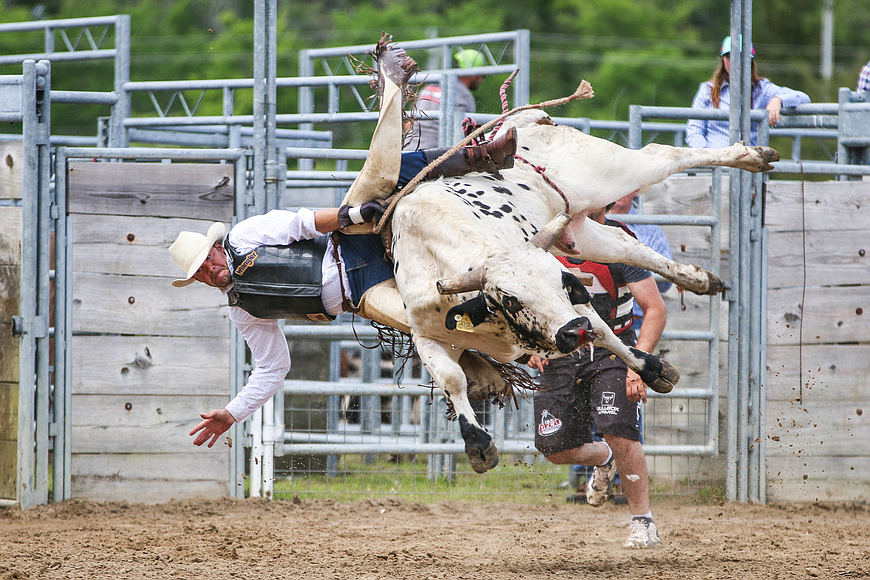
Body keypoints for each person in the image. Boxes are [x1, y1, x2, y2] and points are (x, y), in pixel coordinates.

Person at [171, 37, 517, 449]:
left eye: (205, 263)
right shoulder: (243, 311)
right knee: (432, 326)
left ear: (213, 249)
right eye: (201, 276)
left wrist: (352, 216)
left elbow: (299, 223)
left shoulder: (243, 238)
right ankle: (513, 340)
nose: (210, 272)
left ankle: (472, 154)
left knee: (384, 173)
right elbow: (272, 367)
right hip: (364, 294)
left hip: (349, 242)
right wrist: (233, 412)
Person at [531, 204, 667, 549]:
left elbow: (654, 308)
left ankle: (643, 522)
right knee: (554, 447)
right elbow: (527, 299)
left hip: (611, 349)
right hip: (559, 351)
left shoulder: (617, 245)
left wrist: (637, 363)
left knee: (620, 432)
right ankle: (603, 458)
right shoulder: (542, 245)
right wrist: (531, 345)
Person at [685, 35, 810, 149]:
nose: (735, 61)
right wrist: (710, 158)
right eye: (729, 56)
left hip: (748, 166)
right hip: (715, 165)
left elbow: (803, 97)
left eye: (741, 56)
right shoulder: (708, 90)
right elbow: (694, 131)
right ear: (723, 60)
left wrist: (778, 100)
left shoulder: (761, 89)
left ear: (750, 60)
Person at [608, 190, 672, 333]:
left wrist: (639, 274)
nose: (619, 189)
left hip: (634, 323)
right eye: (615, 184)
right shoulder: (589, 225)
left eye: (627, 184)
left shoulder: (650, 230)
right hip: (593, 323)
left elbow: (665, 282)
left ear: (636, 190)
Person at [403, 48, 486, 151]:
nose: (482, 80)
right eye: (483, 75)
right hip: (433, 157)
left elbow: (408, 125)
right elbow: (460, 136)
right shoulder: (464, 96)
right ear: (474, 75)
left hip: (407, 152)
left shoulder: (429, 87)